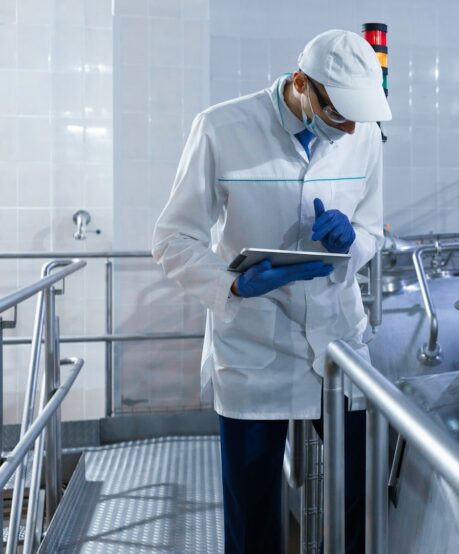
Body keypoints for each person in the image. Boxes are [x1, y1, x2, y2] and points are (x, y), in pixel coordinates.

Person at [152, 29, 391, 553]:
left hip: (339, 345)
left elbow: (373, 228)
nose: (348, 127)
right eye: (337, 115)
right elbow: (172, 239)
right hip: (254, 346)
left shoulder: (364, 134)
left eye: (358, 116)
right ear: (303, 84)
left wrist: (353, 242)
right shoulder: (221, 128)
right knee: (255, 515)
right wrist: (232, 282)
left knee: (362, 502)